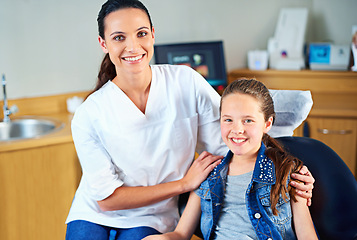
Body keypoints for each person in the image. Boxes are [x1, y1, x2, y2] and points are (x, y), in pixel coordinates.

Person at [65, 1, 315, 239]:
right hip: (94, 213)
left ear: (152, 34)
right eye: (119, 37)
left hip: (153, 214)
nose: (132, 46)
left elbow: (233, 133)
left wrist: (291, 174)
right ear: (103, 43)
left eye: (141, 33)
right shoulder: (89, 114)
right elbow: (106, 200)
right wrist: (183, 184)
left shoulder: (185, 82)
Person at [144, 78, 318, 240]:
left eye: (248, 120)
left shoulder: (287, 171)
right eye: (228, 120)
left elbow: (307, 235)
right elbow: (180, 234)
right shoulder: (208, 173)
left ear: (267, 124)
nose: (237, 130)